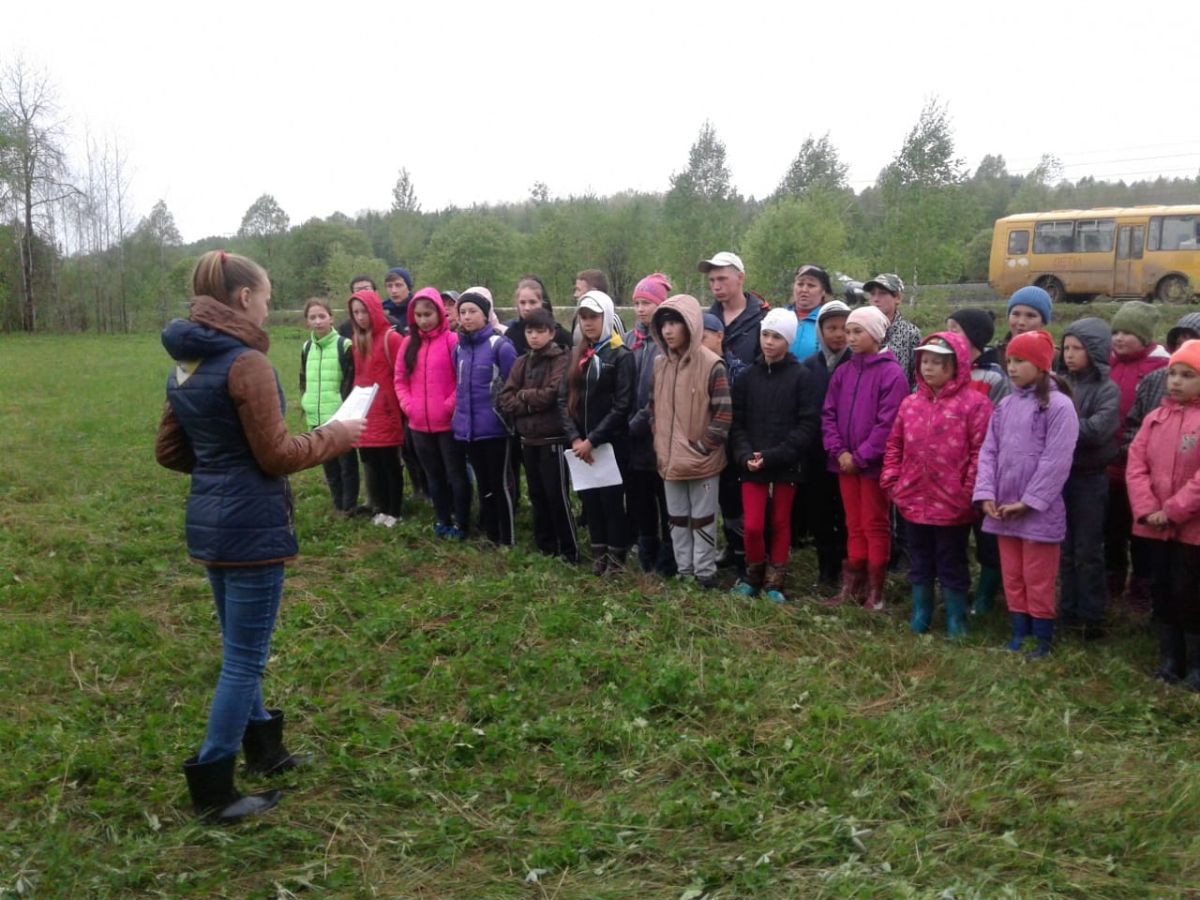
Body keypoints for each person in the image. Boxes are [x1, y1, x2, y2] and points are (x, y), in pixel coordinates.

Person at [155, 250, 365, 824]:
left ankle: (266, 752)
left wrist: (219, 467)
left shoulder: (188, 361)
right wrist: (337, 434)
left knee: (238, 651)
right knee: (245, 659)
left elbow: (169, 450)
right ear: (244, 298)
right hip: (250, 528)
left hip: (211, 523)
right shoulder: (247, 363)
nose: (270, 309)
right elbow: (276, 455)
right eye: (268, 298)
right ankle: (214, 785)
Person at [973, 330, 1078, 659]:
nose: (1012, 368)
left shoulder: (1059, 407)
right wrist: (986, 493)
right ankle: (1019, 633)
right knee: (1013, 575)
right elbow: (989, 451)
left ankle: (1041, 637)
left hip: (1037, 513)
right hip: (1003, 509)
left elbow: (1056, 460)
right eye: (1009, 361)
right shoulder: (1005, 405)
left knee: (1038, 576)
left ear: (1041, 364)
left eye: (1020, 361)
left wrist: (1029, 502)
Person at [880, 333, 992, 637]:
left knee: (951, 559)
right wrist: (892, 480)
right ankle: (922, 612)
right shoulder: (910, 404)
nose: (928, 368)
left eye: (938, 362)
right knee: (920, 557)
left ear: (956, 366)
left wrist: (968, 492)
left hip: (953, 503)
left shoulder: (975, 405)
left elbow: (980, 452)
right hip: (913, 498)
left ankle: (956, 617)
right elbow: (895, 444)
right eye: (925, 361)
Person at [822, 306, 908, 610]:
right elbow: (828, 414)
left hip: (872, 467)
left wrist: (860, 457)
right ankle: (853, 586)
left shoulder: (891, 374)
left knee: (875, 523)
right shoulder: (843, 372)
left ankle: (876, 590)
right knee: (854, 523)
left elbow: (888, 424)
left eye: (858, 331)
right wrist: (839, 452)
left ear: (876, 334)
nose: (851, 337)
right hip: (844, 464)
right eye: (848, 332)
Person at [730, 308, 819, 602]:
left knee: (781, 522)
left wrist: (776, 456)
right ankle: (753, 574)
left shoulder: (801, 377)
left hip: (786, 463)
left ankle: (775, 581)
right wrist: (745, 455)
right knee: (753, 525)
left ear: (788, 341)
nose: (769, 342)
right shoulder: (746, 377)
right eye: (765, 334)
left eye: (777, 337)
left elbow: (806, 424)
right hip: (752, 463)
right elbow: (737, 423)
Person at [1127, 339, 1200, 690]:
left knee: (1192, 592)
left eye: (1188, 375)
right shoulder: (1154, 419)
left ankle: (1196, 664)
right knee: (1163, 588)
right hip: (1153, 526)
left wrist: (1172, 511)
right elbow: (1136, 465)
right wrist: (1147, 509)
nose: (1176, 382)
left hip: (1192, 530)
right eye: (1173, 374)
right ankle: (1171, 659)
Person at [647, 294, 733, 589]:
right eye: (663, 325)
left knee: (703, 518)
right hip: (669, 459)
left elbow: (723, 414)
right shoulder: (660, 365)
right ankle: (684, 571)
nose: (668, 330)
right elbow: (652, 407)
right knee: (677, 518)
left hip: (701, 461)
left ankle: (704, 573)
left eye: (674, 323)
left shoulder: (712, 364)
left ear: (691, 325)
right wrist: (659, 440)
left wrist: (702, 447)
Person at [699, 251, 765, 579]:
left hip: (749, 418)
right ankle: (733, 545)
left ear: (741, 278)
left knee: (747, 488)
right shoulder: (706, 319)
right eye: (711, 280)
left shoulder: (761, 320)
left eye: (722, 278)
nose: (716, 285)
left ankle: (752, 554)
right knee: (723, 487)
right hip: (712, 417)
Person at [560, 290, 636, 574]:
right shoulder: (576, 354)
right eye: (584, 317)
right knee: (590, 501)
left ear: (607, 317)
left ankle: (616, 557)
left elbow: (623, 405)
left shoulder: (621, 355)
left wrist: (594, 440)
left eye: (594, 317)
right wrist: (575, 438)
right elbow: (562, 399)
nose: (588, 323)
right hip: (580, 445)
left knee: (612, 501)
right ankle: (599, 552)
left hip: (610, 444)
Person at [1055, 318, 1120, 638]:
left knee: (1088, 550)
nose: (1069, 354)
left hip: (1090, 479)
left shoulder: (1107, 389)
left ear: (1094, 350)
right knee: (1064, 548)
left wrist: (1059, 425)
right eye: (1066, 347)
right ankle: (1067, 611)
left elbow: (1097, 431)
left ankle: (1092, 616)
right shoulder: (1058, 383)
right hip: (1061, 477)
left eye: (1077, 348)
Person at [498, 308, 577, 561]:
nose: (534, 336)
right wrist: (529, 403)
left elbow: (551, 395)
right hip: (527, 439)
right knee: (537, 494)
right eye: (529, 331)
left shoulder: (560, 359)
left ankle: (569, 550)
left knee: (557, 495)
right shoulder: (522, 362)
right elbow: (505, 397)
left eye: (540, 331)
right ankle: (545, 547)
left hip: (552, 438)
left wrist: (523, 396)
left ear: (551, 333)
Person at [1107, 301, 1169, 614]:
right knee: (1111, 526)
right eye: (1116, 331)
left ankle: (1142, 584)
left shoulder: (1161, 370)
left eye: (1128, 333)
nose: (1119, 338)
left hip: (1143, 468)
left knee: (1141, 530)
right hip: (1110, 464)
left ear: (1144, 337)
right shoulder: (1109, 363)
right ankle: (1112, 578)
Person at [395, 287, 470, 540]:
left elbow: (462, 379)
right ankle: (442, 519)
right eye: (418, 315)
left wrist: (448, 406)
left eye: (428, 314)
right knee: (433, 475)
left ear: (439, 313)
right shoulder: (408, 344)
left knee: (456, 475)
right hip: (418, 425)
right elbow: (400, 380)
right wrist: (409, 406)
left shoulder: (452, 341)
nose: (423, 320)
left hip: (448, 425)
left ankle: (462, 522)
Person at [453, 288, 518, 545]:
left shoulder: (500, 346)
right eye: (462, 312)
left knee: (499, 484)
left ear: (486, 315)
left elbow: (513, 384)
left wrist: (505, 417)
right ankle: (491, 535)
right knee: (484, 485)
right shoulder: (459, 349)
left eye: (473, 311)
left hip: (496, 429)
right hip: (469, 430)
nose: (467, 317)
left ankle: (507, 539)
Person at [627, 273, 676, 575]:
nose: (641, 309)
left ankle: (669, 556)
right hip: (631, 437)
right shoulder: (629, 340)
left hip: (657, 436)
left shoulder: (667, 343)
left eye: (647, 303)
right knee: (640, 497)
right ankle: (647, 549)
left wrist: (639, 421)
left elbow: (662, 393)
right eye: (637, 303)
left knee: (665, 499)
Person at [801, 300, 852, 589]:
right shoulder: (810, 366)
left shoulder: (856, 364)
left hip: (847, 454)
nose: (838, 334)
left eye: (845, 328)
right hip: (815, 453)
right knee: (819, 510)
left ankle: (846, 565)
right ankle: (825, 567)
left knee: (845, 512)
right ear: (820, 330)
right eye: (831, 328)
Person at [347, 289, 405, 526]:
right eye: (356, 313)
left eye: (364, 311)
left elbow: (402, 374)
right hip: (365, 412)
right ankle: (381, 507)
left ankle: (395, 511)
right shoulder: (357, 341)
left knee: (390, 464)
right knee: (373, 463)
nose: (361, 317)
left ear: (374, 310)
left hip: (387, 411)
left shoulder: (391, 339)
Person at [300, 298, 359, 515]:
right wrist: (305, 400)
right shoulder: (307, 347)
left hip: (339, 416)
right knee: (329, 465)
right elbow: (303, 378)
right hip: (316, 417)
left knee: (347, 465)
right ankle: (337, 504)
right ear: (307, 322)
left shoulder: (344, 345)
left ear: (331, 318)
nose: (318, 321)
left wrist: (344, 409)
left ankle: (349, 506)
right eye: (312, 317)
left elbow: (350, 381)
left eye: (322, 316)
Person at [1124, 313, 1200, 448]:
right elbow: (1134, 425)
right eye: (1179, 343)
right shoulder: (1153, 380)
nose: (1183, 349)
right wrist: (1139, 451)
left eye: (1192, 344)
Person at [864, 273, 921, 388]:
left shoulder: (910, 333)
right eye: (872, 294)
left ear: (897, 298)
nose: (876, 299)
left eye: (882, 293)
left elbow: (918, 378)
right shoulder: (861, 331)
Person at [946, 308, 1010, 404]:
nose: (947, 335)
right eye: (947, 330)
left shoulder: (994, 375)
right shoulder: (947, 370)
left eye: (954, 330)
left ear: (973, 334)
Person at [506, 276, 572, 355]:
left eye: (532, 302)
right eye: (522, 303)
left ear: (542, 302)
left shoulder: (560, 336)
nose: (527, 308)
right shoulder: (511, 335)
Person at [788, 264, 832, 363]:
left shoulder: (828, 321)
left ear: (823, 291)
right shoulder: (780, 317)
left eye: (811, 285)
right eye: (800, 284)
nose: (804, 290)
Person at [382, 267, 413, 334]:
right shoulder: (382, 311)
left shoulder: (417, 309)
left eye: (398, 285)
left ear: (408, 288)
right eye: (389, 286)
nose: (394, 291)